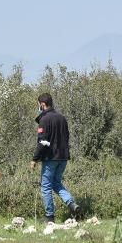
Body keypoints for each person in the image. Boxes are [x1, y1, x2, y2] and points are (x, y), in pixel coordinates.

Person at [29, 92, 80, 223]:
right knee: (56, 183)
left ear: (42, 104)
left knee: (45, 186)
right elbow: (66, 137)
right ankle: (71, 204)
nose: (38, 107)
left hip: (51, 158)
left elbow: (43, 142)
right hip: (63, 158)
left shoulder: (44, 119)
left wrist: (34, 159)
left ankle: (49, 216)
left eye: (38, 105)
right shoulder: (62, 118)